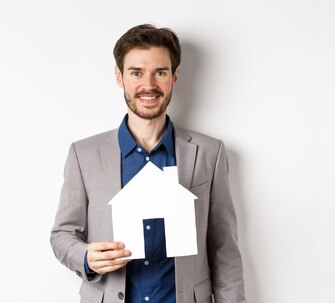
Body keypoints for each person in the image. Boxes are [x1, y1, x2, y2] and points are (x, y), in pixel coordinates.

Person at [50, 24, 245, 303]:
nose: (149, 85)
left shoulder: (208, 152)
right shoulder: (84, 154)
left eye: (160, 72)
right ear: (119, 76)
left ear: (175, 77)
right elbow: (62, 234)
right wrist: (85, 257)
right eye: (136, 72)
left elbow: (224, 248)